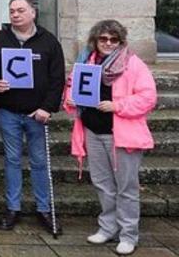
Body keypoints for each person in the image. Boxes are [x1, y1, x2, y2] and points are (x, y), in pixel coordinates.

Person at [63, 20, 157, 256]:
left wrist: (118, 105)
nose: (107, 43)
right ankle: (108, 227)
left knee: (126, 187)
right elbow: (72, 89)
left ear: (120, 42)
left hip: (123, 135)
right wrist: (70, 100)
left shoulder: (132, 64)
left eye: (113, 39)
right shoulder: (85, 62)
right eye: (103, 39)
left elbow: (148, 97)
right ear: (95, 40)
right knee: (103, 184)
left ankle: (128, 235)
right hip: (93, 132)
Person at [0, 0, 65, 233]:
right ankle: (13, 208)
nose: (15, 15)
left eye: (20, 10)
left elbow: (57, 79)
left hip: (37, 114)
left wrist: (47, 108)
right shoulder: (0, 39)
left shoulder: (48, 41)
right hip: (9, 111)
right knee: (11, 161)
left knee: (39, 162)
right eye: (12, 11)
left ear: (33, 13)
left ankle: (43, 209)